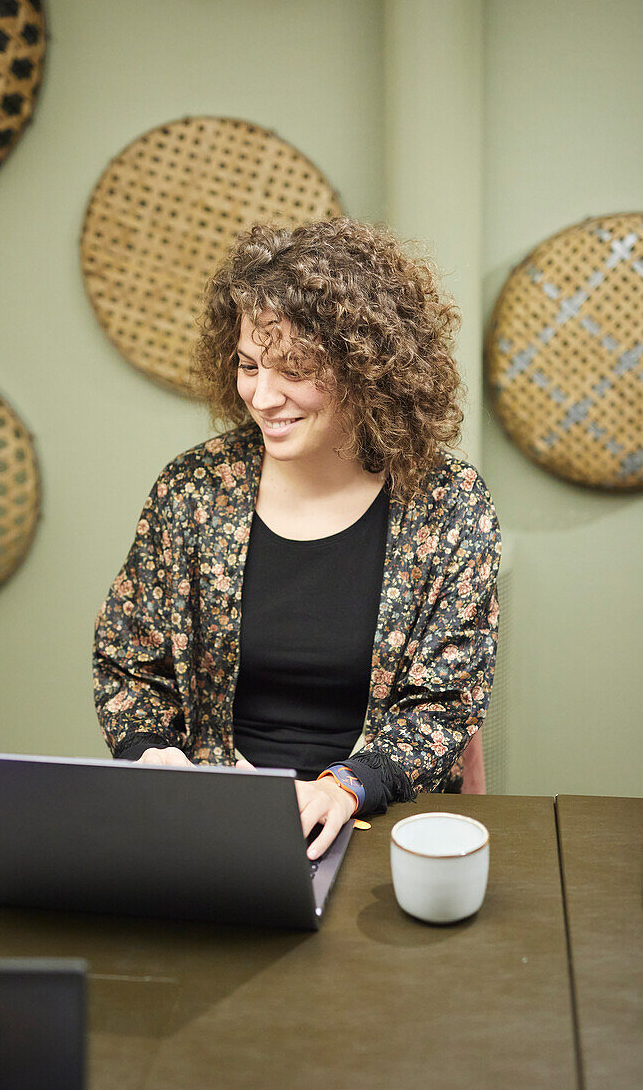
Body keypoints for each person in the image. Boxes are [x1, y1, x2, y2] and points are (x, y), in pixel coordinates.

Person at [93, 217, 501, 860]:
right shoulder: (194, 489)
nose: (262, 395)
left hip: (375, 823)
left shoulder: (447, 507)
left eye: (294, 368)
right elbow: (128, 661)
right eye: (249, 365)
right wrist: (151, 754)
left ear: (368, 369)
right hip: (210, 823)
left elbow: (445, 706)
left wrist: (342, 788)